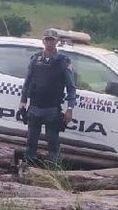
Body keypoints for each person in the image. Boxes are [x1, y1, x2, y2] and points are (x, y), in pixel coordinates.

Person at [18, 28, 77, 166]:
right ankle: (27, 169)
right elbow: (28, 82)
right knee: (31, 142)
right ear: (43, 41)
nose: (49, 43)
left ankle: (54, 171)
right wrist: (23, 101)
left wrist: (70, 108)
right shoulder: (35, 59)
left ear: (57, 42)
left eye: (52, 40)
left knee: (53, 143)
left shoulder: (63, 61)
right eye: (47, 40)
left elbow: (71, 87)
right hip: (34, 107)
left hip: (52, 109)